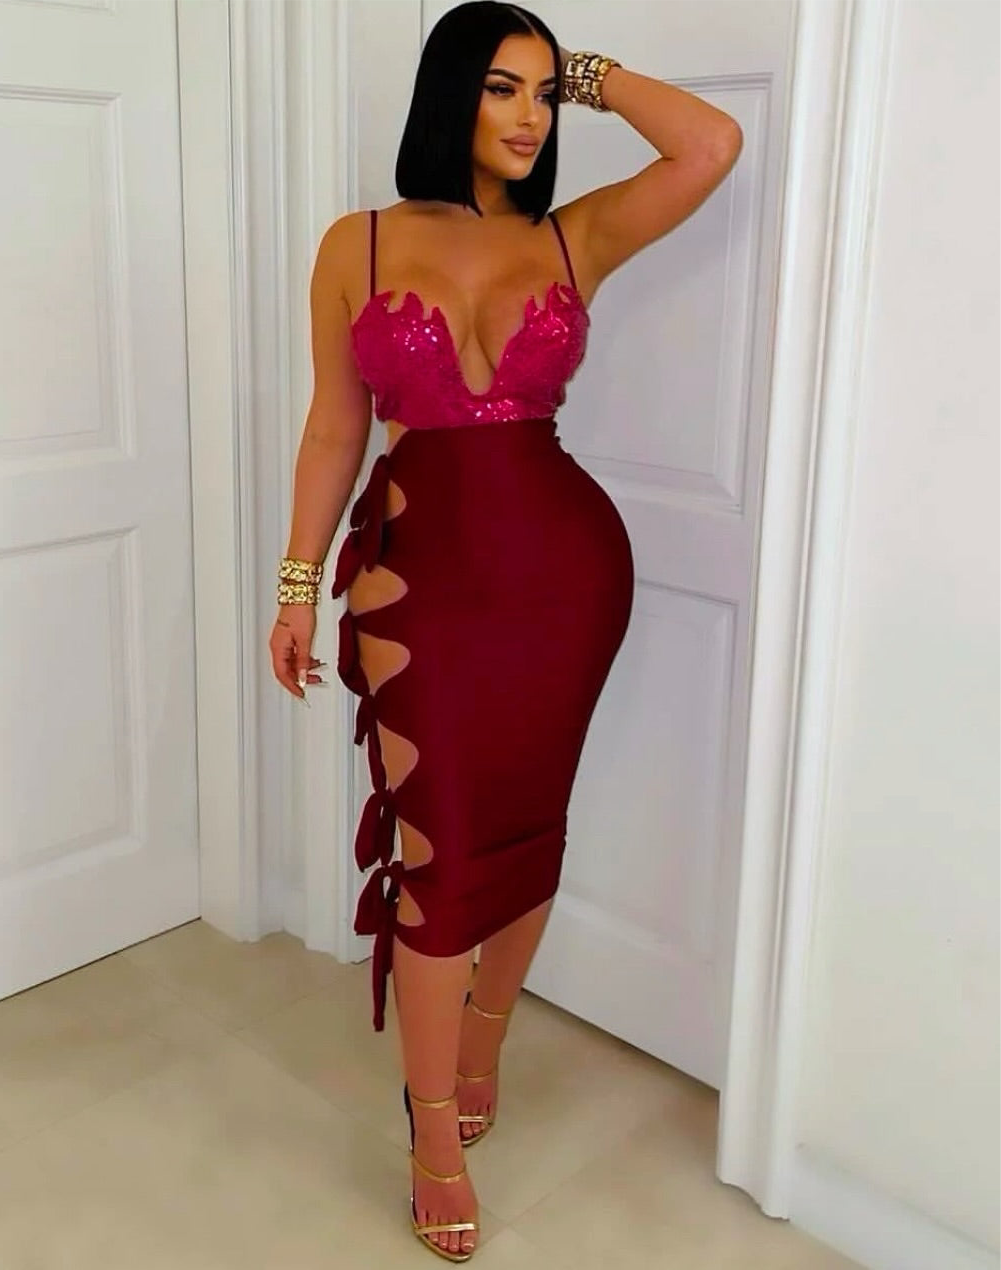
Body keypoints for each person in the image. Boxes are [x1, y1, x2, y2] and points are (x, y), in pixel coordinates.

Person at [269, 2, 741, 1261]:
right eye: (501, 88)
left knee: (529, 829)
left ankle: (481, 1044)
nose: (530, 116)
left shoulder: (573, 235)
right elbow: (334, 426)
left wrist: (584, 74)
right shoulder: (357, 243)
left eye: (541, 92)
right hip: (415, 580)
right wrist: (298, 582)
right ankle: (431, 1130)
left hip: (564, 578)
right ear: (447, 94)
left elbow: (708, 144)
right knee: (438, 853)